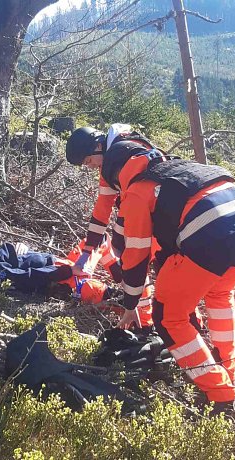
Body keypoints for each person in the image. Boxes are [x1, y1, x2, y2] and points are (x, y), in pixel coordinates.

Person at [101, 148, 235, 411]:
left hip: (212, 235)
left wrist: (131, 304)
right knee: (219, 294)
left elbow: (136, 255)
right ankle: (227, 366)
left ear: (116, 174)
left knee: (168, 317)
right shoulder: (176, 170)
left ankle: (221, 394)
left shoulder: (138, 189)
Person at [66, 124, 158, 328]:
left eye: (88, 161)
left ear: (98, 146)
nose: (90, 166)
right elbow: (102, 210)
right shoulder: (124, 150)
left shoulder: (116, 159)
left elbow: (108, 209)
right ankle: (146, 315)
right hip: (157, 213)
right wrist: (88, 250)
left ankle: (143, 317)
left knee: (134, 262)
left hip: (146, 214)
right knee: (146, 265)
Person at [0, 216, 116, 304]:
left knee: (99, 239)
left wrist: (17, 248)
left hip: (66, 265)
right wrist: (67, 271)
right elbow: (21, 277)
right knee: (100, 292)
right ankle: (136, 308)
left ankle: (120, 277)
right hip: (62, 279)